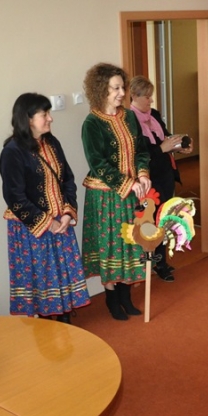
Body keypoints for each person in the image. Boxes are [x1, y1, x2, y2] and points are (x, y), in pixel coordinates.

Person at [0, 93, 90, 323]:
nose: (50, 118)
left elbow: (67, 179)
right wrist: (48, 223)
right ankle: (48, 331)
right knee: (42, 281)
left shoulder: (51, 142)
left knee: (62, 277)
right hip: (33, 229)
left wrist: (68, 212)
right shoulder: (12, 152)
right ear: (28, 119)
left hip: (61, 222)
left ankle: (66, 324)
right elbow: (14, 197)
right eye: (44, 114)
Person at [81, 63, 151, 321]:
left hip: (131, 194)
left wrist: (142, 174)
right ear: (101, 89)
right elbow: (97, 164)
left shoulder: (129, 117)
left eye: (123, 87)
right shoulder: (92, 123)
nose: (122, 93)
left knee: (129, 243)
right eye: (116, 88)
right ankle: (112, 298)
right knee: (111, 245)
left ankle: (125, 295)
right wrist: (127, 183)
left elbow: (141, 150)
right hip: (106, 196)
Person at [128, 75, 193, 283]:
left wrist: (180, 146)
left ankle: (161, 262)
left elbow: (165, 137)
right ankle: (151, 264)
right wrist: (162, 149)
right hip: (148, 178)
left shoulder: (153, 114)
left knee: (164, 219)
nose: (151, 100)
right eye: (146, 97)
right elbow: (137, 153)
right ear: (134, 96)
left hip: (165, 174)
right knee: (150, 222)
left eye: (151, 96)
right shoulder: (129, 120)